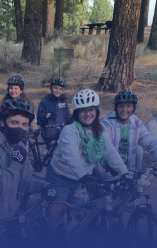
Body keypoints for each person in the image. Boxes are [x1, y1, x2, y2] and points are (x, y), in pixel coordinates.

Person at [45, 89, 128, 228]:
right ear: (77, 112)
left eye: (91, 109)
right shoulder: (70, 130)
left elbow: (110, 152)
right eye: (83, 110)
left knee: (77, 215)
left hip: (80, 180)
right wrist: (84, 177)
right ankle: (47, 237)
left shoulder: (100, 130)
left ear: (96, 110)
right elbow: (71, 156)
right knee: (56, 210)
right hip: (59, 177)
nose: (88, 114)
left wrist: (124, 172)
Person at [0, 98, 56, 221]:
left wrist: (44, 186)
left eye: (24, 124)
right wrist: (15, 164)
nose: (20, 128)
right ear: (3, 122)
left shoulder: (20, 147)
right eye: (14, 123)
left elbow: (25, 182)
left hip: (12, 218)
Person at [101, 89, 157, 171]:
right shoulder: (107, 123)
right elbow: (107, 149)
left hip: (128, 170)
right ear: (116, 108)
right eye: (121, 106)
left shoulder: (136, 123)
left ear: (133, 108)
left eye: (128, 106)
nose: (124, 109)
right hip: (107, 169)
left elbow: (151, 143)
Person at [37, 78, 71, 153]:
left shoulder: (63, 101)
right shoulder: (45, 101)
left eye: (60, 89)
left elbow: (68, 116)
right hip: (49, 132)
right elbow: (39, 118)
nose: (57, 90)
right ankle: (44, 160)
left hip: (61, 131)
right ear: (51, 88)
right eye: (55, 88)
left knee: (62, 150)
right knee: (52, 150)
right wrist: (46, 116)